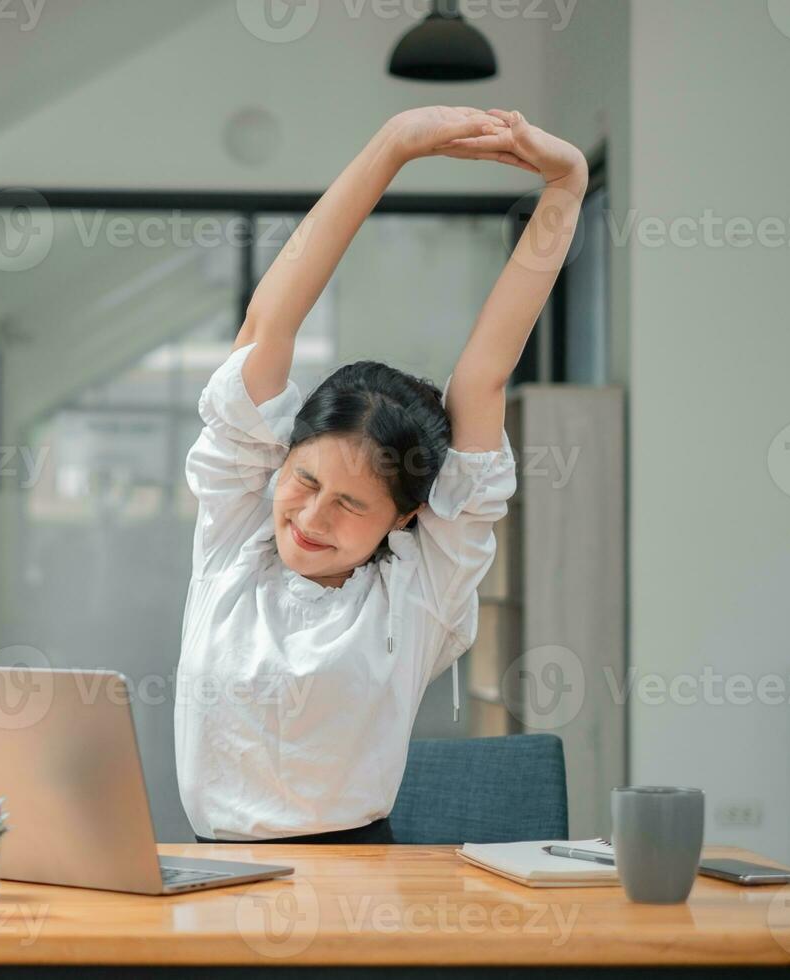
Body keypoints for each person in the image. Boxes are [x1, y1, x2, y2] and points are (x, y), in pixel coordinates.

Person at [175, 107, 588, 844]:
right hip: (214, 873)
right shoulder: (235, 538)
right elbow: (267, 326)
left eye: (349, 504)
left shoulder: (421, 588)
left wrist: (568, 183)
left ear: (403, 517)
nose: (310, 519)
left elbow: (484, 378)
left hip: (358, 882)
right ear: (281, 461)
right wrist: (391, 146)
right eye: (303, 482)